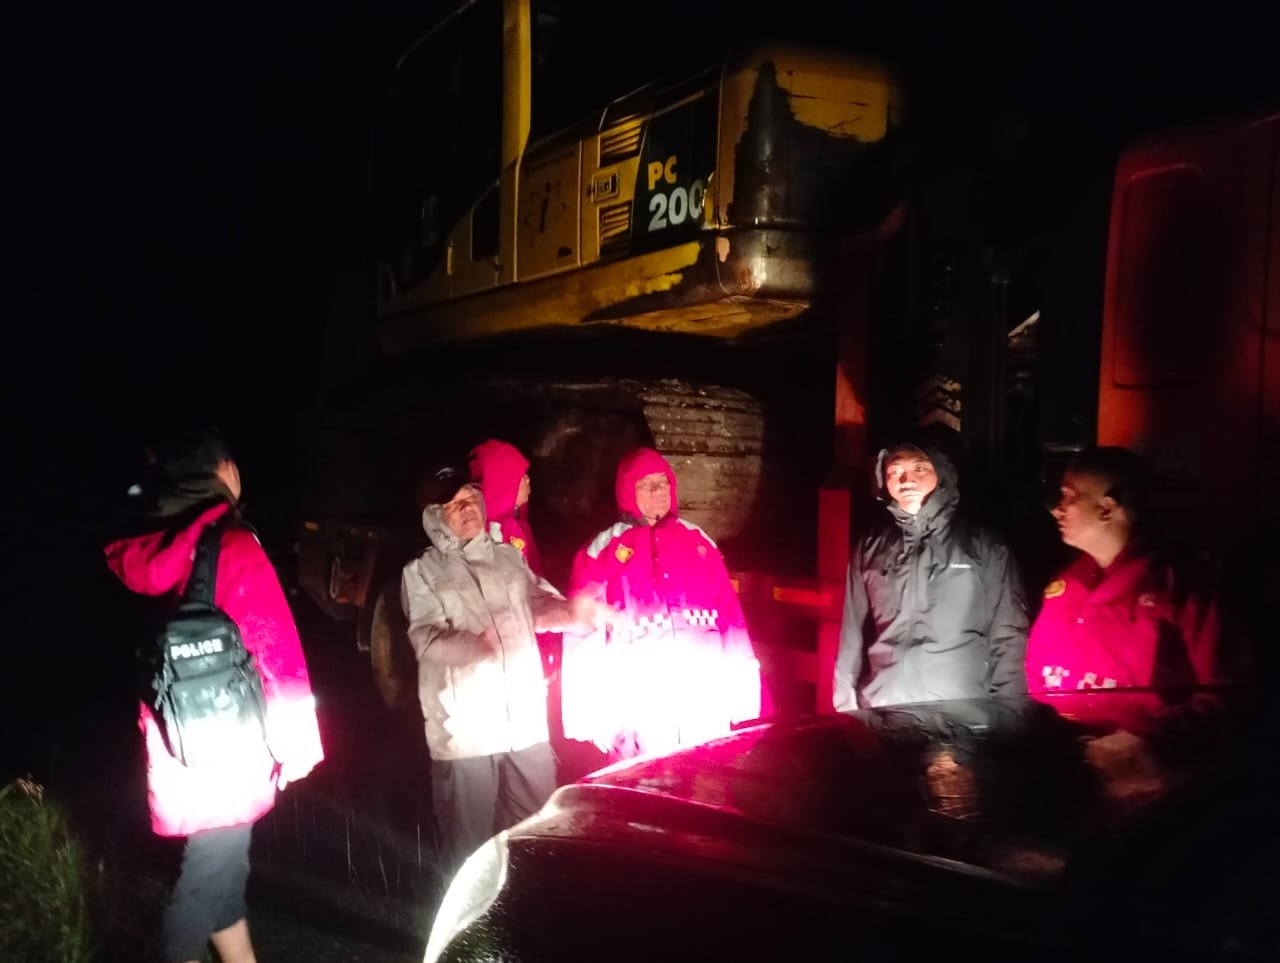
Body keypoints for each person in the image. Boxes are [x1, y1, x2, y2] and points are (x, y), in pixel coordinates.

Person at [103, 427, 324, 963]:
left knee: (224, 876)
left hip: (175, 737)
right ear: (224, 470)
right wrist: (297, 746)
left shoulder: (152, 543)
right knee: (205, 882)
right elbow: (275, 649)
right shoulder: (232, 544)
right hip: (230, 740)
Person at [401, 466, 591, 873]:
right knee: (468, 846)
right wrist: (475, 645)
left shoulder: (508, 558)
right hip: (467, 730)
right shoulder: (420, 572)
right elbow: (426, 638)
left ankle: (531, 904)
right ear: (434, 518)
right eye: (453, 505)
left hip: (525, 723)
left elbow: (538, 604)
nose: (466, 509)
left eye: (470, 499)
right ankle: (471, 912)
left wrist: (570, 612)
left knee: (537, 830)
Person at [564, 447, 761, 761]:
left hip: (704, 707)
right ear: (627, 492)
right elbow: (581, 631)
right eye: (646, 484)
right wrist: (589, 717)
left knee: (708, 783)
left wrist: (743, 698)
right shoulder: (603, 549)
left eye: (663, 482)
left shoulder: (699, 542)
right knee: (644, 788)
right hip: (640, 714)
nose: (658, 491)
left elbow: (731, 619)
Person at [1026, 446, 1244, 693]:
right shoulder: (1066, 586)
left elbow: (1226, 691)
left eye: (1069, 496)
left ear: (1107, 508)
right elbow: (1035, 675)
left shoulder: (1181, 588)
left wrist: (1149, 724)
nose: (1058, 509)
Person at [834, 440, 1029, 710]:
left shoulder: (983, 545)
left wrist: (1011, 714)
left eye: (919, 468)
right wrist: (845, 706)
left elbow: (1008, 635)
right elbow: (851, 633)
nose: (906, 480)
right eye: (894, 471)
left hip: (961, 715)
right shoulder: (871, 546)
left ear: (941, 471)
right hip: (884, 711)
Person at [469, 438, 544, 576]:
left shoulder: (516, 520)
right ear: (505, 484)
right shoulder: (489, 535)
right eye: (521, 475)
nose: (528, 479)